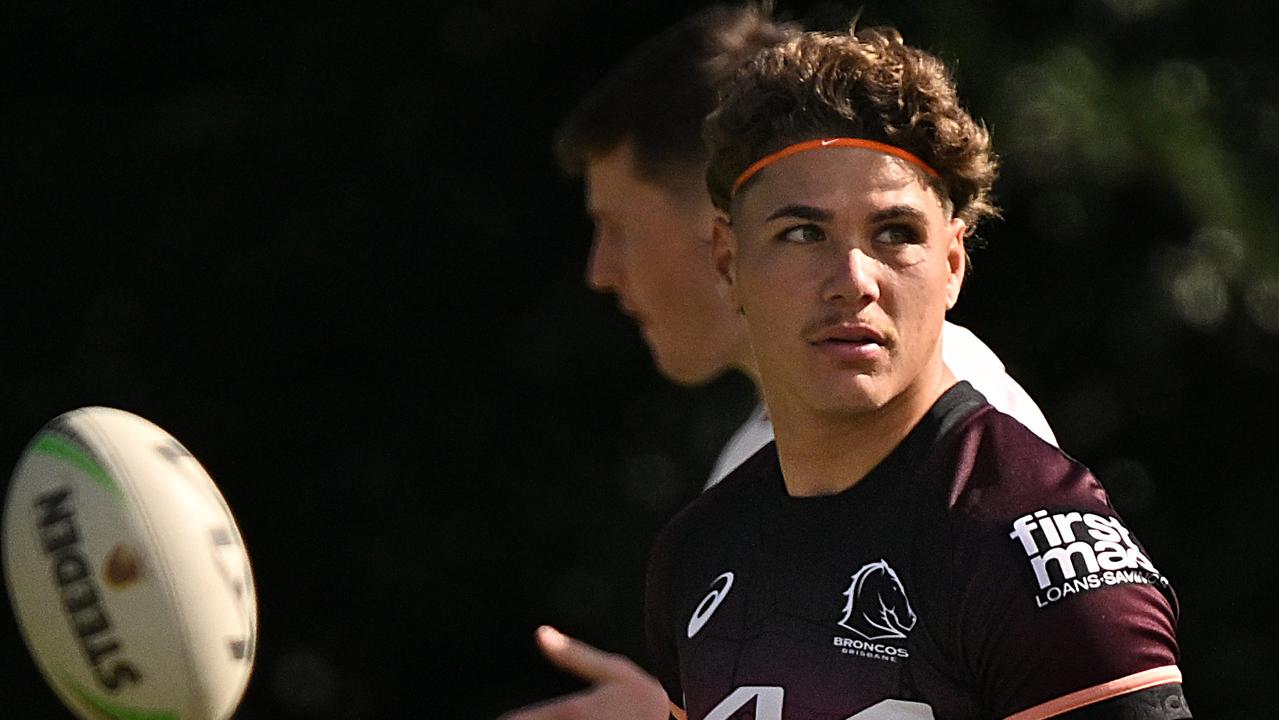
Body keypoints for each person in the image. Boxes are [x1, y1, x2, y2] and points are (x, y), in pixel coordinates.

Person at [506, 15, 1191, 720]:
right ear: (726, 253)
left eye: (894, 233)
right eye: (802, 233)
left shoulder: (1014, 522)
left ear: (953, 262)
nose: (852, 279)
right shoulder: (703, 544)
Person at [554, 5, 1056, 492]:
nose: (600, 271)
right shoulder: (751, 471)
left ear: (721, 226)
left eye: (618, 226)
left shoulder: (952, 424)